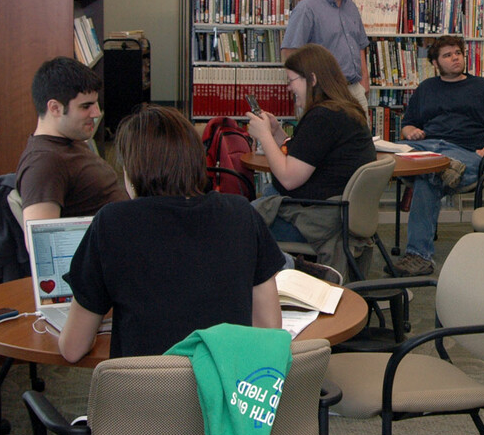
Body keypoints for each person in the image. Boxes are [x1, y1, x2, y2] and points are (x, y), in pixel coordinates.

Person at [58, 105, 285, 362]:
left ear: (132, 171)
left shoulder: (111, 224)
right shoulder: (242, 214)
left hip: (144, 397)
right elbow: (269, 330)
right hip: (223, 396)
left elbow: (73, 348)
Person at [247, 44, 376, 277]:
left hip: (317, 222)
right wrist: (278, 134)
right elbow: (307, 156)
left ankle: (289, 273)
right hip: (336, 216)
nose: (288, 88)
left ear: (312, 79)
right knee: (249, 210)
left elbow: (288, 178)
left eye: (291, 80)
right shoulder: (344, 110)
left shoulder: (322, 118)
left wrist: (264, 136)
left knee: (236, 224)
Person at [393, 35, 484, 276]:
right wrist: (412, 132)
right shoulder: (426, 88)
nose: (455, 58)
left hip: (467, 152)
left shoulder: (482, 88)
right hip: (429, 147)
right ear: (435, 63)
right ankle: (441, 168)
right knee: (388, 151)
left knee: (428, 178)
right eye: (447, 55)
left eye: (457, 52)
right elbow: (407, 125)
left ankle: (418, 256)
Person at [16, 57, 128, 225]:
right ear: (55, 108)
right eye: (86, 106)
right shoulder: (43, 163)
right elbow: (43, 245)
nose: (96, 113)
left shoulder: (70, 139)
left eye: (96, 104)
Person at [281, 0, 370, 113]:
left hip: (355, 90)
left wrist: (364, 80)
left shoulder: (351, 8)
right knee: (325, 138)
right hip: (324, 94)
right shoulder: (307, 9)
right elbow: (290, 52)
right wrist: (307, 89)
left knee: (361, 137)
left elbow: (360, 46)